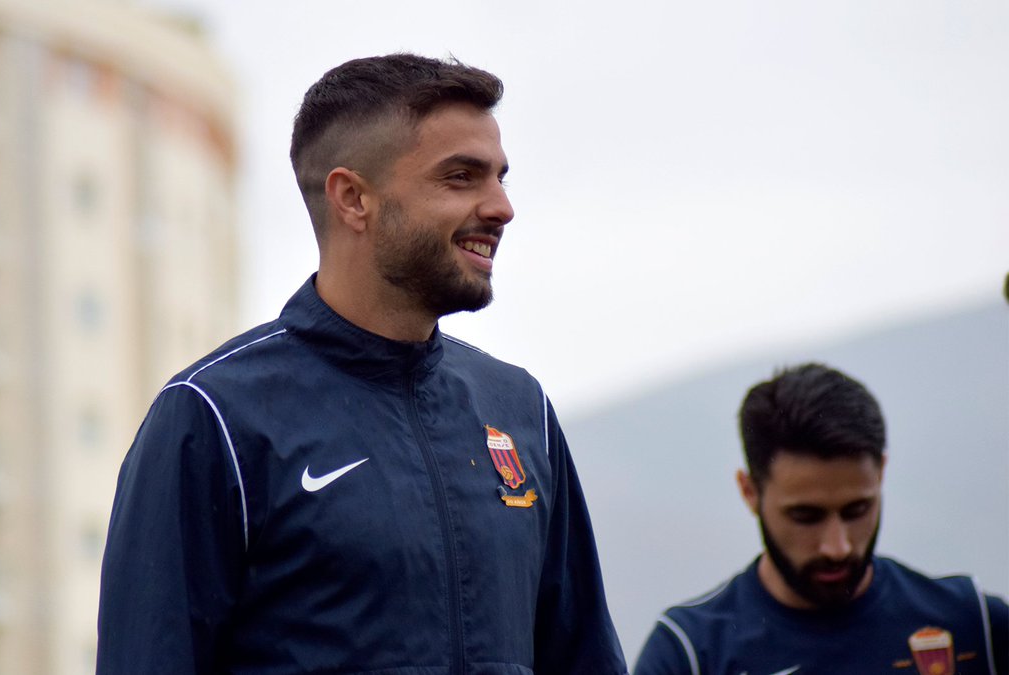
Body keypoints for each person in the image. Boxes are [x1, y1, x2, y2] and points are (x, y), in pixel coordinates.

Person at [96, 53, 628, 674]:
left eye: (501, 178)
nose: (501, 207)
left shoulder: (519, 409)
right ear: (353, 198)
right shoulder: (214, 416)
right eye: (462, 177)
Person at [634, 363, 1008, 675]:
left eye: (856, 510)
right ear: (749, 491)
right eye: (806, 516)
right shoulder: (689, 654)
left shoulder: (974, 627)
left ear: (881, 475)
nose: (837, 546)